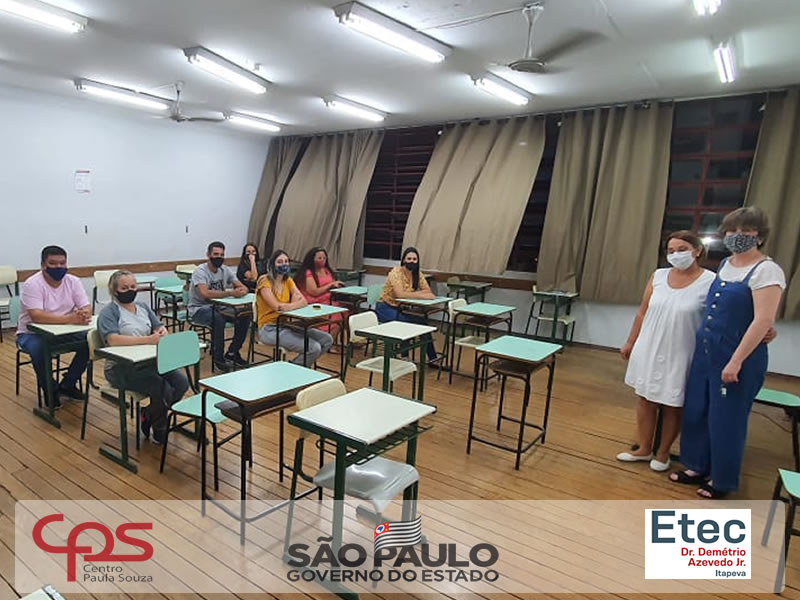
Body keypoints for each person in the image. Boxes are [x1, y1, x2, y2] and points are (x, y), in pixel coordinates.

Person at [671, 207, 785, 499]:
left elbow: (763, 320)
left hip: (738, 356)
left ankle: (721, 480)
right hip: (706, 351)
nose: (737, 236)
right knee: (698, 410)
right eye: (732, 231)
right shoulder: (725, 264)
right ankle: (696, 465)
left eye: (746, 231)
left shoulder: (767, 270)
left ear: (759, 236)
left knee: (726, 419)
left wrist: (735, 361)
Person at [616, 232, 715, 471]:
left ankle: (663, 453)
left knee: (673, 402)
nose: (675, 255)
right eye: (671, 251)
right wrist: (630, 342)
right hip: (649, 345)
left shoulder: (710, 281)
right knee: (645, 398)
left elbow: (719, 317)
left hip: (682, 349)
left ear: (697, 251)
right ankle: (644, 448)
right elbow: (643, 313)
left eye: (682, 249)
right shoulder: (658, 276)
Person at [98, 271, 189, 444]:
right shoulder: (109, 312)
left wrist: (161, 331)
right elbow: (112, 340)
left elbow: (158, 326)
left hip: (150, 362)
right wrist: (147, 340)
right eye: (124, 288)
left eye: (133, 286)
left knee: (181, 383)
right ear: (115, 291)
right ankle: (160, 425)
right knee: (162, 388)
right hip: (121, 368)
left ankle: (148, 414)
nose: (130, 290)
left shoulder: (143, 307)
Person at [16, 245, 90, 407]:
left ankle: (68, 384)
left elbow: (86, 307)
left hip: (64, 331)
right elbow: (37, 316)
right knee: (39, 349)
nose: (59, 267)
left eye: (62, 263)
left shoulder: (73, 281)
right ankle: (50, 389)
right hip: (31, 334)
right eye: (53, 263)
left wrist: (83, 314)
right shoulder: (32, 284)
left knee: (90, 341)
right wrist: (70, 319)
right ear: (43, 265)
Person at [256, 249, 333, 367]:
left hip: (286, 324)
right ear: (272, 264)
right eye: (279, 262)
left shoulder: (288, 281)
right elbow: (277, 307)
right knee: (313, 348)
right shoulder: (264, 281)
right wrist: (293, 304)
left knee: (327, 339)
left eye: (286, 261)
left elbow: (304, 301)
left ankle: (297, 366)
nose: (284, 264)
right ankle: (294, 370)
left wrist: (289, 306)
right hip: (269, 328)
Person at [188, 241, 250, 372]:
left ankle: (232, 353)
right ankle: (218, 359)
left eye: (222, 255)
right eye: (216, 254)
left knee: (245, 314)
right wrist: (230, 293)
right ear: (208, 255)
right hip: (199, 309)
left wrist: (242, 291)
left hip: (221, 307)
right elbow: (205, 294)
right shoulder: (200, 271)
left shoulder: (225, 270)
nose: (219, 257)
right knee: (218, 318)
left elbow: (242, 286)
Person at [375, 246, 438, 363]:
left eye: (414, 259)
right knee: (407, 323)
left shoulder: (417, 273)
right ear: (404, 260)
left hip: (400, 308)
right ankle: (404, 355)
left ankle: (433, 359)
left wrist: (412, 294)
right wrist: (420, 295)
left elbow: (428, 291)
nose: (412, 261)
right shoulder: (395, 273)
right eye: (409, 259)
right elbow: (400, 294)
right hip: (385, 308)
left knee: (423, 323)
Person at [296, 247, 344, 339]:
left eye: (324, 258)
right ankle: (324, 339)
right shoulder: (308, 273)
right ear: (312, 259)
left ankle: (332, 341)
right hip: (314, 302)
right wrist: (330, 285)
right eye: (319, 258)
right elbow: (314, 292)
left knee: (344, 312)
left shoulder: (327, 270)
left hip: (329, 299)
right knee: (334, 317)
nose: (322, 260)